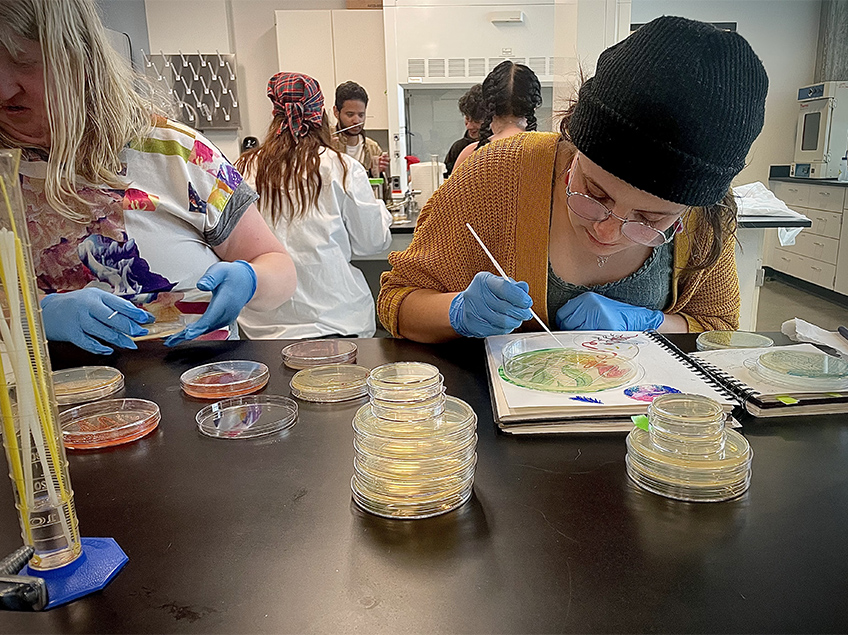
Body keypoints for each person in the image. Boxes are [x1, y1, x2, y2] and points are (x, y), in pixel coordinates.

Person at [378, 16, 768, 343]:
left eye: (650, 221)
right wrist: (457, 312)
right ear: (573, 148)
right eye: (594, 193)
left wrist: (645, 324)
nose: (609, 231)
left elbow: (717, 329)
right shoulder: (497, 174)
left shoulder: (705, 217)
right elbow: (397, 302)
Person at [0, 0, 297, 355]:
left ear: (78, 56)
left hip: (200, 394)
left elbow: (278, 268)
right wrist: (30, 316)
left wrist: (250, 280)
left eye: (24, 61)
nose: (3, 88)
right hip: (43, 406)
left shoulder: (177, 154)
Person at [236, 73, 392, 339]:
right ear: (322, 114)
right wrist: (381, 212)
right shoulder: (342, 167)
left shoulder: (244, 168)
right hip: (336, 320)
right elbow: (372, 242)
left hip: (261, 329)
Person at [451, 61, 542, 172]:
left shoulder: (471, 155)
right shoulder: (552, 151)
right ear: (534, 106)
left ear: (488, 106)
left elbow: (449, 190)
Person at [330, 81, 389, 179]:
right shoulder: (325, 142)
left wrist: (375, 173)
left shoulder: (373, 149)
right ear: (336, 112)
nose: (356, 121)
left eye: (361, 115)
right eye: (350, 114)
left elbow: (378, 191)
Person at [444, 84, 485, 177]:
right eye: (467, 118)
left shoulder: (499, 147)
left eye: (476, 121)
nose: (469, 126)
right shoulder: (458, 147)